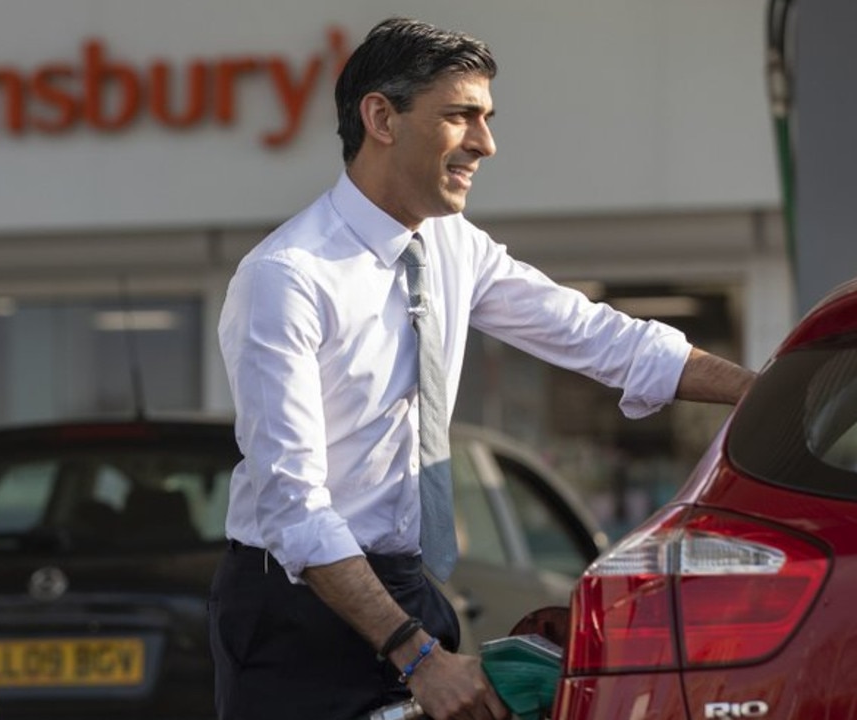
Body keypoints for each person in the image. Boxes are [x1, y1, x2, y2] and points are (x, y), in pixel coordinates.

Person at [211, 16, 755, 720]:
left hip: (404, 588)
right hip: (296, 611)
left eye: (487, 117)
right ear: (380, 116)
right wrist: (419, 656)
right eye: (460, 116)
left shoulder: (450, 246)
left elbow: (602, 338)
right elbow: (294, 507)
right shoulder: (287, 277)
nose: (486, 143)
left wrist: (775, 397)